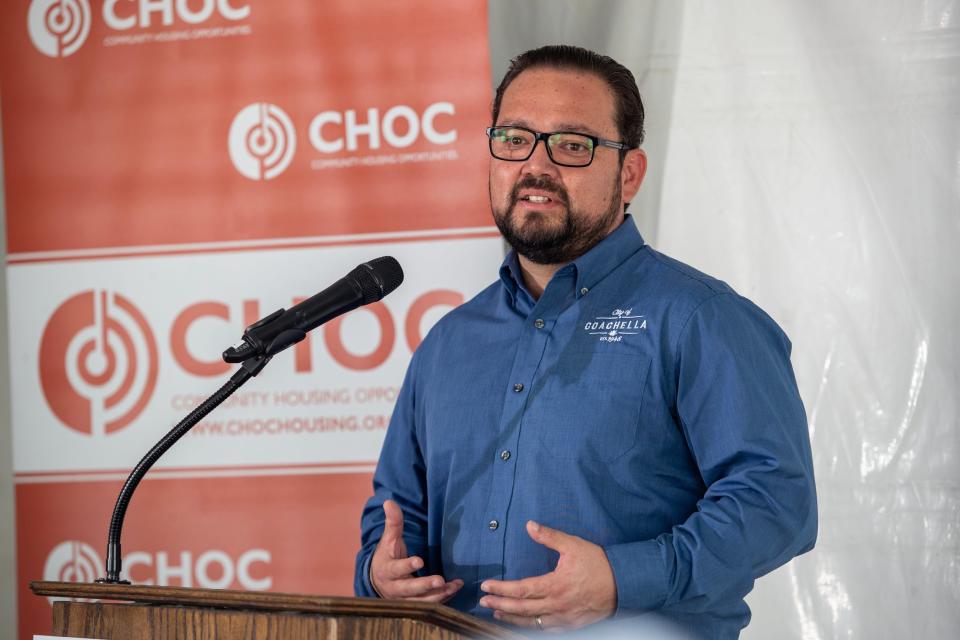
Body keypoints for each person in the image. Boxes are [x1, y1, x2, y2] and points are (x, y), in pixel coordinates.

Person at [354, 44, 817, 639]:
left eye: (572, 145)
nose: (536, 165)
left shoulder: (702, 318)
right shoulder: (450, 342)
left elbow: (777, 502)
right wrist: (382, 574)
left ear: (629, 174)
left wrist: (623, 579)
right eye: (515, 138)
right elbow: (396, 512)